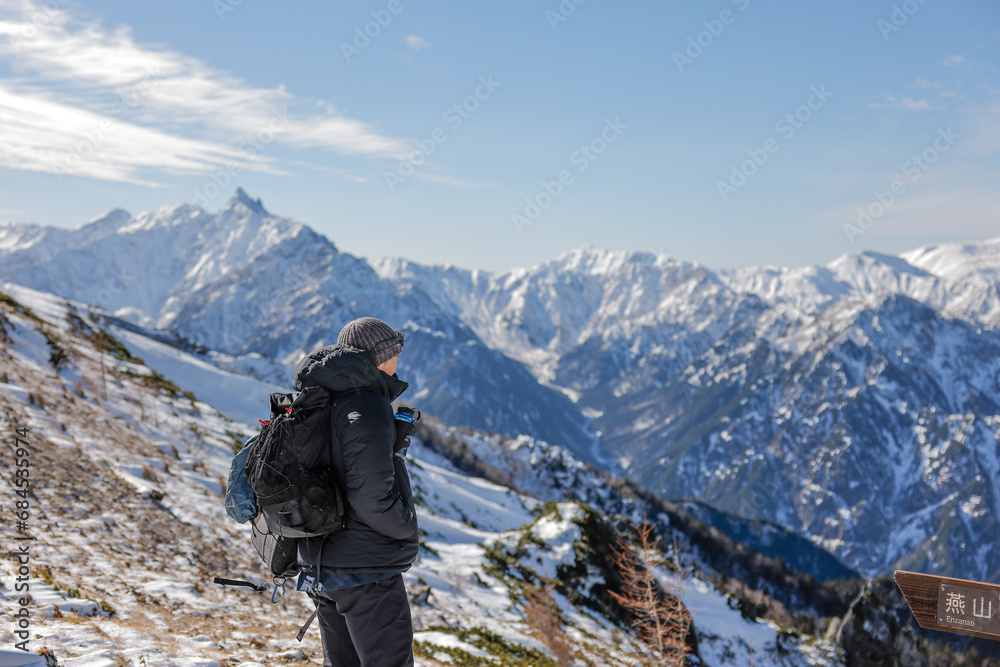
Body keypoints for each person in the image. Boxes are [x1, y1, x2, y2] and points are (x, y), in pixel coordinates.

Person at [292, 316, 419, 667]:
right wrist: (408, 528)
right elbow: (371, 498)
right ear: (380, 357)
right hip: (367, 570)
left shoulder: (322, 397)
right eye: (394, 351)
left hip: (322, 563)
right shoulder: (367, 405)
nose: (399, 359)